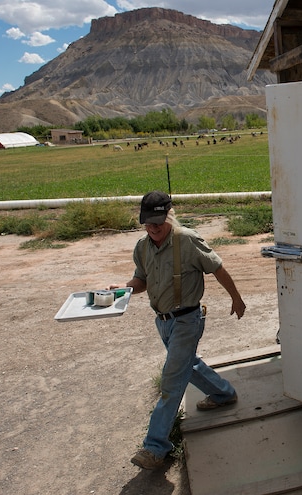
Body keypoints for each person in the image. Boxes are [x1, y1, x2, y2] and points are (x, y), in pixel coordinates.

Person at [109, 190, 246, 470]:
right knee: (186, 366)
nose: (153, 228)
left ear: (169, 216)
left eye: (158, 221)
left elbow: (218, 268)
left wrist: (236, 298)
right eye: (148, 222)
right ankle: (223, 393)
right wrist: (124, 290)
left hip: (187, 319)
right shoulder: (142, 247)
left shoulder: (187, 240)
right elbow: (141, 279)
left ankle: (155, 447)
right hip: (163, 321)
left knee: (171, 381)